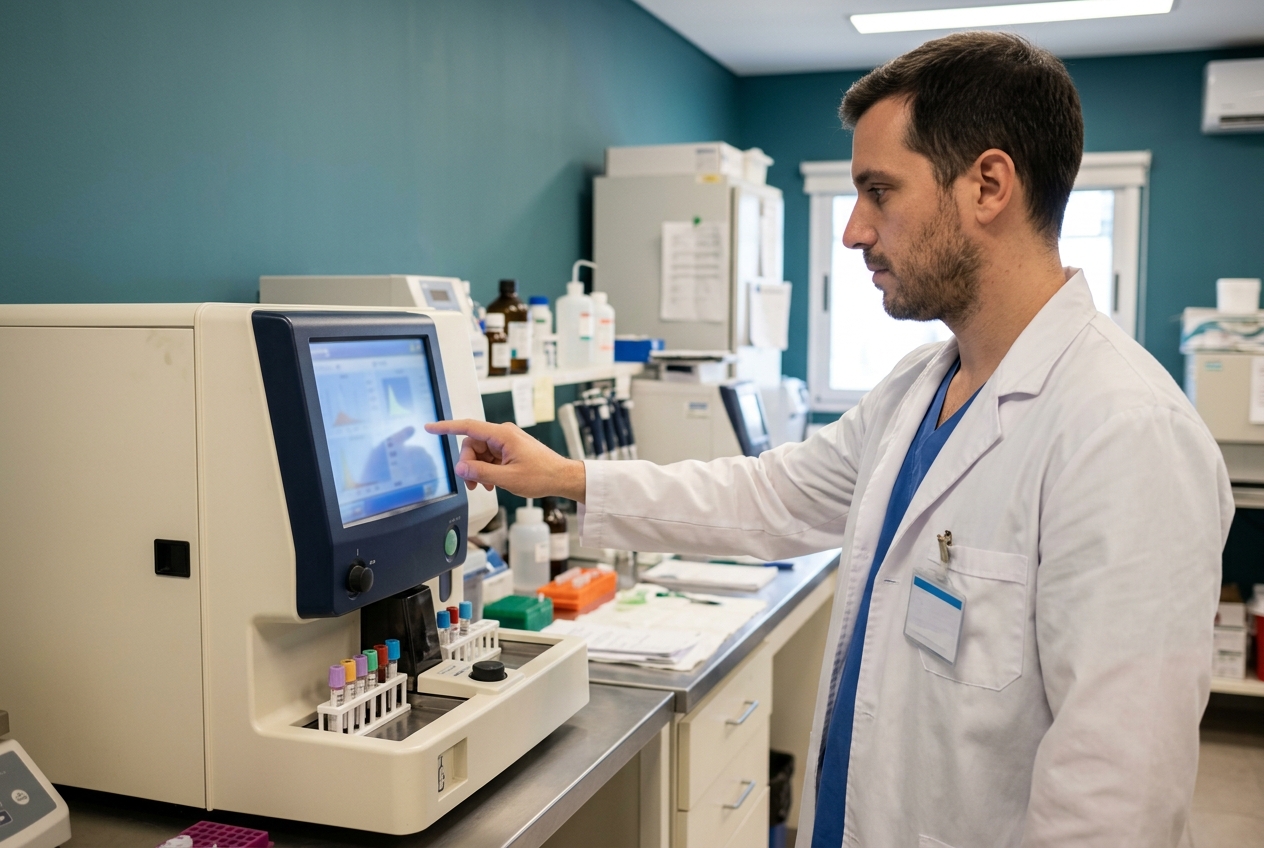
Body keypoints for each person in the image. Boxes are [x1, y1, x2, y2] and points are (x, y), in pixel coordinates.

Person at [429, 32, 1232, 848]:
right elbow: (770, 495)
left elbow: (1115, 802)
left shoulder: (1126, 435)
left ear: (989, 184)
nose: (852, 232)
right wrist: (568, 477)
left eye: (879, 191)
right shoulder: (920, 386)